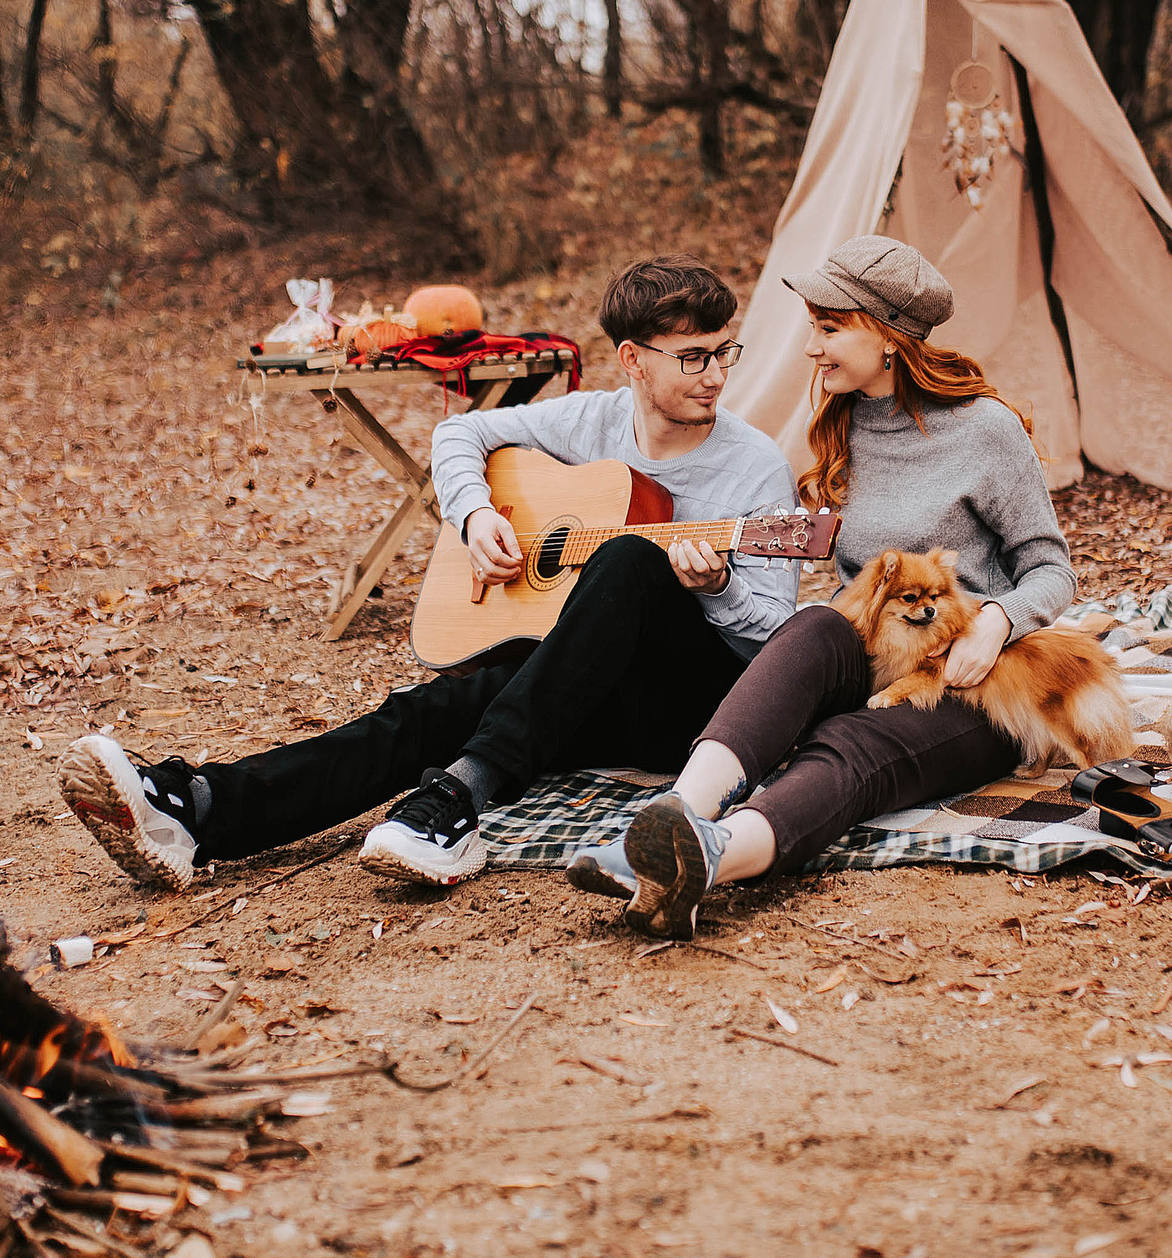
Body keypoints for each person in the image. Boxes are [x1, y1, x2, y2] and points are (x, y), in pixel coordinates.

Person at [60, 255, 799, 890]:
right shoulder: (594, 421)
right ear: (634, 360)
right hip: (590, 680)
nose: (716, 375)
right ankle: (198, 809)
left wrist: (719, 587)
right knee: (432, 709)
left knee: (632, 556)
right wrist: (478, 517)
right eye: (694, 356)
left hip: (695, 712)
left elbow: (777, 648)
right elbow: (460, 430)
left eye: (723, 352)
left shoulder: (756, 468)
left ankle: (460, 797)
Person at [569, 235, 1075, 938]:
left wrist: (995, 622)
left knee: (852, 741)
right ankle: (669, 820)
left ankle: (712, 856)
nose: (812, 346)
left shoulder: (984, 430)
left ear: (889, 336)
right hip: (878, 655)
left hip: (974, 683)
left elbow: (1052, 568)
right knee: (809, 626)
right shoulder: (845, 423)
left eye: (829, 327)